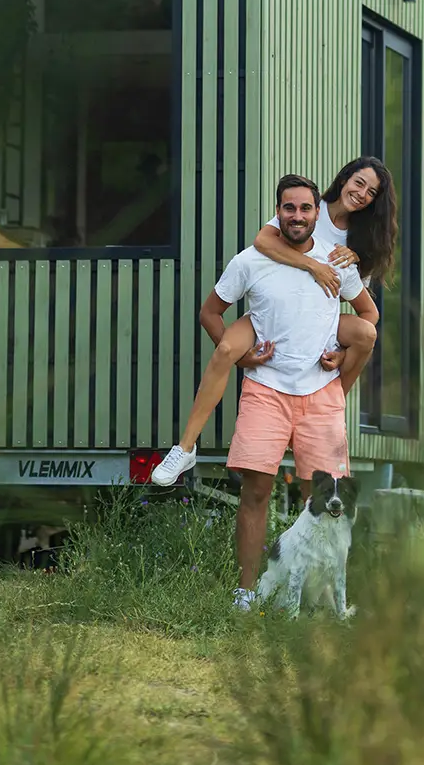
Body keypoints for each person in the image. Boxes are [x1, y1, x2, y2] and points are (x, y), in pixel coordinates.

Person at [163, 174, 379, 608]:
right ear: (277, 212)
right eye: (288, 208)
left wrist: (338, 353)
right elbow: (210, 313)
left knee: (321, 501)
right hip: (266, 391)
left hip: (321, 396)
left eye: (305, 209)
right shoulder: (251, 259)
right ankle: (245, 593)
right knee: (256, 492)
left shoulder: (338, 260)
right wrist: (244, 358)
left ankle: (321, 599)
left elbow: (368, 315)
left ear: (318, 214)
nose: (297, 216)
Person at [151, 156, 396, 486]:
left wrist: (339, 350)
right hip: (272, 311)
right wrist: (312, 265)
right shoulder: (308, 206)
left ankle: (331, 407)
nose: (362, 193)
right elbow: (263, 242)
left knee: (366, 333)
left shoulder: (363, 238)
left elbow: (358, 301)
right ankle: (185, 447)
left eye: (372, 191)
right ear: (344, 179)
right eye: (359, 182)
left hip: (318, 319)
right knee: (226, 350)